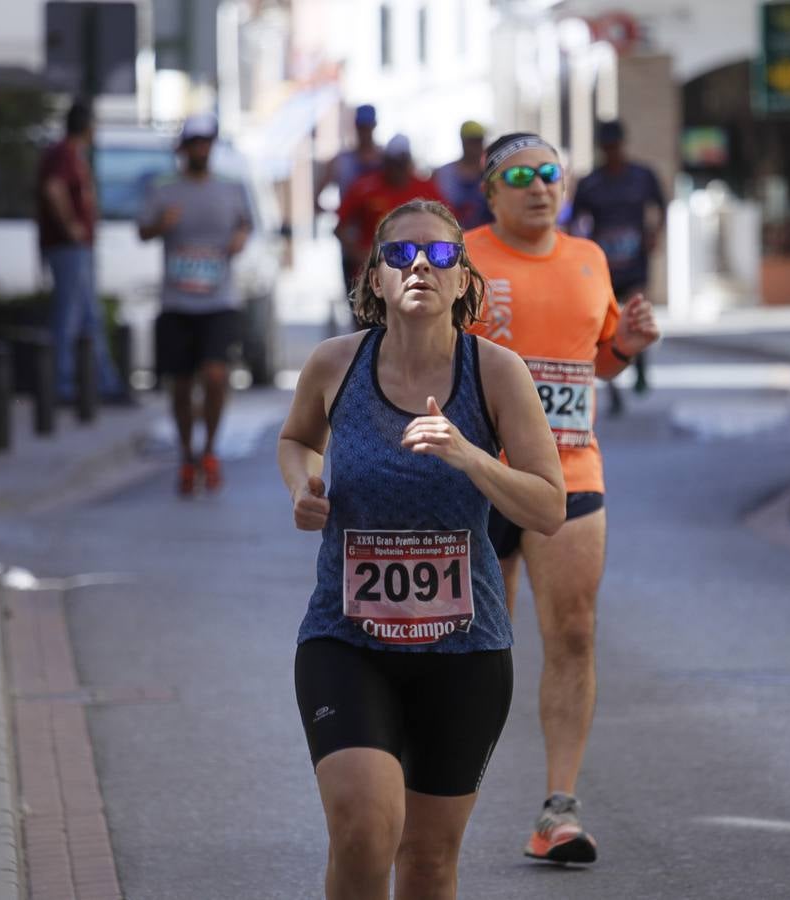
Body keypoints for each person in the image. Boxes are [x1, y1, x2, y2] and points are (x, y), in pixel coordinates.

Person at [281, 197, 565, 900]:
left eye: (439, 255)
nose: (418, 267)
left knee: (431, 861)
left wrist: (469, 456)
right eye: (398, 255)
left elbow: (548, 507)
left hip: (463, 653)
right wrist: (302, 485)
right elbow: (295, 439)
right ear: (373, 278)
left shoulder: (495, 373)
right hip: (346, 639)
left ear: (463, 280)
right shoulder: (333, 365)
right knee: (363, 829)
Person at [466, 131, 660, 864]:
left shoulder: (589, 259)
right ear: (489, 192)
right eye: (519, 175)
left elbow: (598, 360)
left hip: (571, 475)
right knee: (472, 643)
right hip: (477, 478)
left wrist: (627, 347)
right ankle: (438, 793)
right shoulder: (464, 257)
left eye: (550, 172)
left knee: (573, 634)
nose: (538, 185)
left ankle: (559, 810)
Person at [137, 112, 252, 496]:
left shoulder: (231, 187)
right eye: (196, 142)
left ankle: (210, 451)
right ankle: (186, 454)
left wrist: (240, 237)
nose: (202, 148)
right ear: (183, 148)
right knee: (182, 384)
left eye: (207, 142)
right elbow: (142, 230)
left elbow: (245, 223)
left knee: (217, 375)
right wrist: (161, 225)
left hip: (219, 301)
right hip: (177, 302)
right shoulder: (164, 188)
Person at [571, 119, 665, 410]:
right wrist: (581, 251)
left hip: (635, 260)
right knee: (606, 326)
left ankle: (641, 368)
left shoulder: (642, 176)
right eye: (607, 147)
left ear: (622, 145)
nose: (612, 152)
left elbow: (661, 206)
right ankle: (613, 391)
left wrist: (654, 234)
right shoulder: (591, 183)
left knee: (637, 312)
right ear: (601, 147)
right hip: (604, 267)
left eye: (615, 146)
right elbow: (574, 220)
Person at [36, 98, 125, 404]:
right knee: (71, 316)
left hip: (76, 247)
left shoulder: (73, 154)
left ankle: (104, 383)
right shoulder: (64, 153)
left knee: (90, 317)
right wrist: (71, 225)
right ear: (87, 126)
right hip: (68, 248)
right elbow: (54, 189)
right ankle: (63, 385)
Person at [335, 135, 447, 325]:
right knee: (369, 331)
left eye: (402, 163)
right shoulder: (365, 187)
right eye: (394, 163)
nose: (398, 169)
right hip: (371, 276)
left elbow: (448, 226)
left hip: (411, 274)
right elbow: (340, 227)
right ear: (385, 162)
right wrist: (359, 254)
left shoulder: (425, 188)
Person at [319, 104, 383, 299]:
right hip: (353, 238)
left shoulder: (385, 158)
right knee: (356, 296)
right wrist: (340, 214)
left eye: (367, 126)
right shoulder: (341, 160)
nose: (364, 131)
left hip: (379, 234)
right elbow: (318, 196)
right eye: (361, 126)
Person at [434, 120, 493, 230]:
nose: (478, 145)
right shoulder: (443, 173)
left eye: (480, 140)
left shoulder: (491, 173)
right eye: (474, 141)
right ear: (464, 141)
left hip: (483, 236)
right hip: (449, 235)